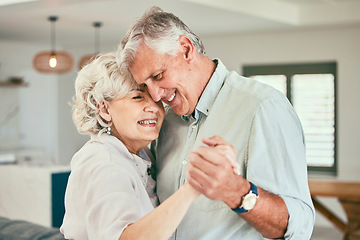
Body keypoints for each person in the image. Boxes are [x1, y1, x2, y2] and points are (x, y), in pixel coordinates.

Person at [117, 6, 315, 240]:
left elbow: (300, 225)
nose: (156, 95)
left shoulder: (262, 107)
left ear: (186, 49)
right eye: (145, 86)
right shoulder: (167, 122)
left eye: (158, 76)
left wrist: (236, 191)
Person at [60, 52, 202, 240]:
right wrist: (194, 186)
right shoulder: (104, 162)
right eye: (137, 97)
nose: (153, 107)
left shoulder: (141, 154)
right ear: (104, 109)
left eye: (156, 99)